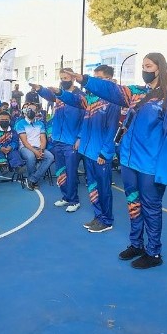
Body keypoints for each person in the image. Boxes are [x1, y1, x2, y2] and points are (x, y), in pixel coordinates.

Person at [71, 53, 167, 269]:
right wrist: (85, 80)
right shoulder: (136, 94)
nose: (144, 70)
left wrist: (164, 173)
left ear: (159, 68)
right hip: (129, 163)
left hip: (150, 167)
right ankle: (136, 244)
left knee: (151, 208)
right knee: (133, 203)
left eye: (148, 66)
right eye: (143, 66)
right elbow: (112, 90)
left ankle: (154, 252)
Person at [57, 64, 121, 233]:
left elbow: (112, 129)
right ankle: (98, 216)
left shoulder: (114, 101)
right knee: (92, 186)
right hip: (87, 151)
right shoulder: (91, 100)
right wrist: (58, 93)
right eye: (94, 79)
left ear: (109, 80)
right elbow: (75, 102)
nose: (95, 83)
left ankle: (107, 220)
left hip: (100, 154)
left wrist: (105, 153)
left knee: (103, 189)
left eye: (99, 79)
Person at [35, 68, 85, 213]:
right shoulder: (59, 95)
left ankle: (74, 200)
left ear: (73, 78)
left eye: (66, 78)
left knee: (71, 172)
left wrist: (79, 137)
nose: (63, 81)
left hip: (71, 142)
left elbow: (86, 120)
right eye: (61, 78)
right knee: (61, 171)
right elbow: (48, 94)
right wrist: (39, 89)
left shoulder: (80, 97)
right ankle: (66, 197)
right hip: (57, 140)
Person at [14, 105, 54, 190]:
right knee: (31, 156)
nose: (31, 111)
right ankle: (32, 179)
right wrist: (35, 152)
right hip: (25, 148)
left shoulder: (40, 124)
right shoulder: (20, 124)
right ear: (25, 111)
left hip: (39, 148)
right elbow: (25, 142)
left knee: (50, 157)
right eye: (29, 109)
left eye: (33, 109)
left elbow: (43, 139)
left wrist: (41, 150)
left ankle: (32, 179)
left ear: (36, 112)